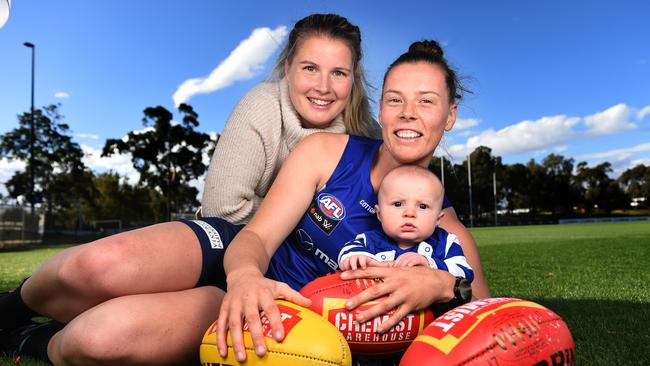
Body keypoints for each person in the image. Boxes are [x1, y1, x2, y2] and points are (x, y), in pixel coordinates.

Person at [0, 13, 382, 365]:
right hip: (229, 235)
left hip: (283, 271)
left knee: (101, 339)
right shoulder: (264, 104)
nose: (323, 86)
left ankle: (30, 336)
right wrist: (291, 215)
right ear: (287, 68)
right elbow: (225, 206)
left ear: (353, 79)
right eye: (310, 68)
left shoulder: (367, 138)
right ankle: (11, 307)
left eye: (339, 73)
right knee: (98, 265)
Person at [214, 39, 480, 362]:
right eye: (395, 100)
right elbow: (255, 236)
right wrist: (245, 279)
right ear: (380, 109)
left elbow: (483, 328)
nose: (408, 114)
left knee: (134, 328)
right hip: (250, 285)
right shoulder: (325, 152)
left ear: (450, 116)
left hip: (303, 342)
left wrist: (444, 286)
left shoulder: (449, 234)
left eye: (426, 101)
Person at [338, 165, 474, 286]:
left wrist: (429, 263)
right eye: (398, 204)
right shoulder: (368, 240)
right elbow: (347, 252)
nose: (409, 213)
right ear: (380, 214)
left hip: (431, 312)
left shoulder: (445, 243)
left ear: (438, 219)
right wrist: (357, 258)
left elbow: (465, 273)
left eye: (422, 206)